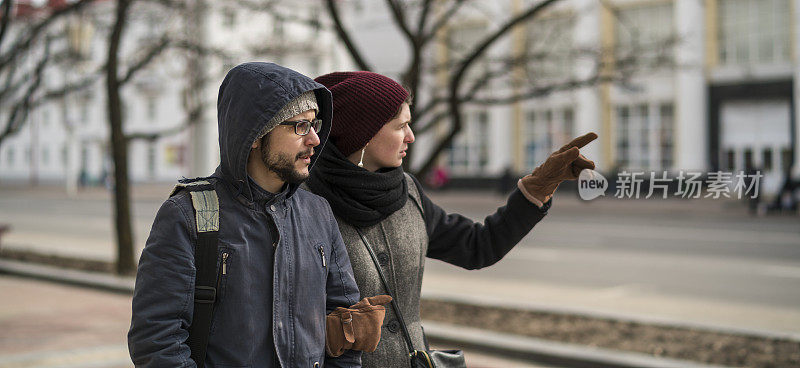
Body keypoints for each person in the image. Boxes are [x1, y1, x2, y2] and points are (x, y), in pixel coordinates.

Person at [306, 71, 597, 368]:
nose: (411, 136)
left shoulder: (409, 193)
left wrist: (536, 190)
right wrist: (326, 333)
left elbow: (477, 246)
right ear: (363, 133)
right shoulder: (302, 202)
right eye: (401, 126)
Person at [128, 62, 366, 367]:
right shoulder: (188, 215)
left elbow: (345, 325)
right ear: (255, 134)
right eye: (300, 126)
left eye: (314, 124)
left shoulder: (317, 212)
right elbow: (156, 340)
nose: (314, 140)